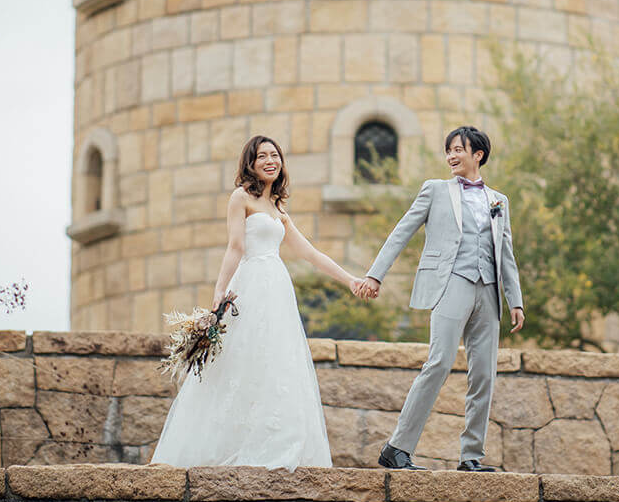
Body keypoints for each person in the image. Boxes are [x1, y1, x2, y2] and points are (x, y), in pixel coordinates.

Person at [150, 135, 368, 469]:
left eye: (275, 155)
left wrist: (350, 280)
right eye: (262, 156)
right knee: (240, 359)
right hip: (250, 284)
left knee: (278, 360)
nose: (270, 160)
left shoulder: (279, 208)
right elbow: (235, 247)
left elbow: (309, 253)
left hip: (277, 288)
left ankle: (278, 443)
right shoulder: (241, 198)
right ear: (250, 164)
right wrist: (218, 296)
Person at [356, 126, 525, 471]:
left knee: (484, 375)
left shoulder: (498, 201)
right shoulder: (435, 190)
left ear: (478, 154)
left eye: (458, 149)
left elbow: (505, 252)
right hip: (452, 283)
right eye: (448, 150)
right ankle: (397, 447)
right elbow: (402, 230)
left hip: (488, 292)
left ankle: (471, 456)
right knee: (439, 363)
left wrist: (515, 300)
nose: (451, 156)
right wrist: (375, 274)